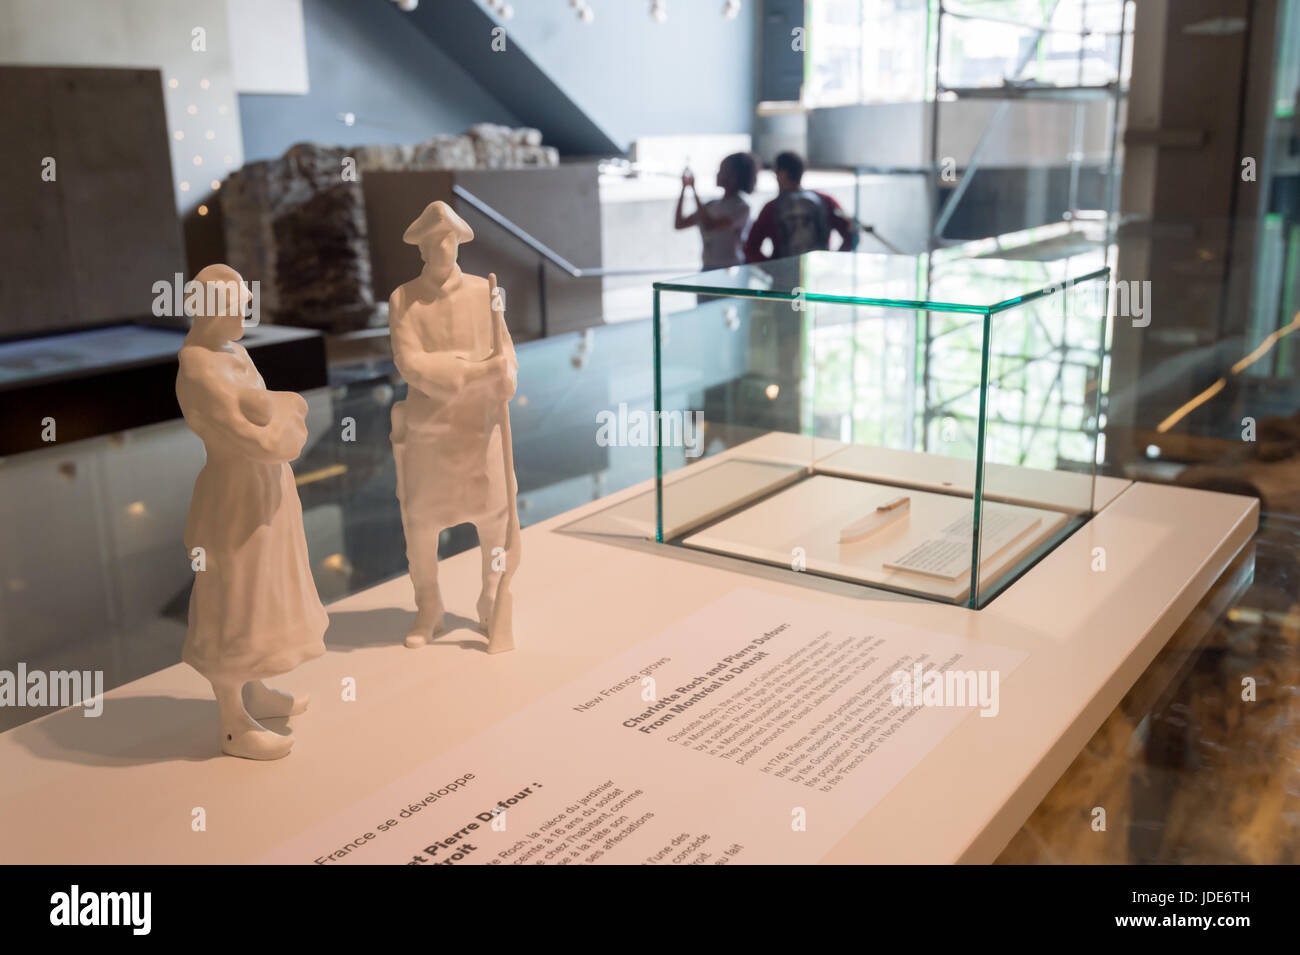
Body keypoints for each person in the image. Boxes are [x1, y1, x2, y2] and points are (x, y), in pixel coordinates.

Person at [176, 264, 327, 760]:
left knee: (266, 588)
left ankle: (255, 685)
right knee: (234, 594)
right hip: (234, 496)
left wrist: (279, 413)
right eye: (238, 303)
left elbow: (271, 422)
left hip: (267, 490)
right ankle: (232, 720)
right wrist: (287, 408)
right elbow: (258, 437)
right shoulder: (198, 366)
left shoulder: (235, 353)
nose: (245, 310)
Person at [389, 200, 519, 653]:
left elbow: (505, 353)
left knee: (494, 524)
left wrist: (505, 375)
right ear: (422, 249)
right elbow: (411, 364)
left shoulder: (487, 293)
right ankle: (429, 607)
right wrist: (475, 371)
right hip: (431, 431)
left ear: (458, 243)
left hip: (480, 429)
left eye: (448, 239)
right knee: (422, 523)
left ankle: (490, 600)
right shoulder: (403, 299)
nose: (441, 248)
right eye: (433, 242)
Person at [744, 151, 857, 262]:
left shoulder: (771, 208)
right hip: (818, 272)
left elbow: (751, 249)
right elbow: (852, 234)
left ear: (782, 174)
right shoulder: (825, 201)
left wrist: (772, 269)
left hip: (784, 273)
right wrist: (833, 262)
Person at [674, 152, 757, 270]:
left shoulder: (742, 208)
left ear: (734, 177)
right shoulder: (711, 205)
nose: (718, 174)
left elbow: (710, 225)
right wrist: (684, 188)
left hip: (732, 269)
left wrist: (693, 190)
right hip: (707, 267)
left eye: (722, 170)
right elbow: (679, 223)